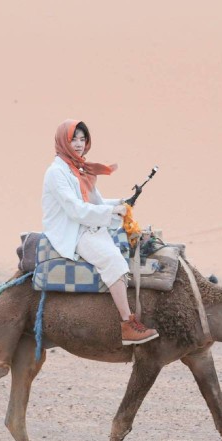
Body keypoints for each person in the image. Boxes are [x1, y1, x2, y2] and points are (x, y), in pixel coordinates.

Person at [42, 119, 159, 345]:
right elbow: (75, 210)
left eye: (82, 139)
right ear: (62, 141)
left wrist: (122, 203)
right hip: (72, 230)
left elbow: (95, 201)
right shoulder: (56, 173)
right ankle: (127, 324)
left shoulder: (79, 169)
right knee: (113, 260)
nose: (78, 144)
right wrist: (111, 213)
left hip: (88, 224)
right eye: (73, 139)